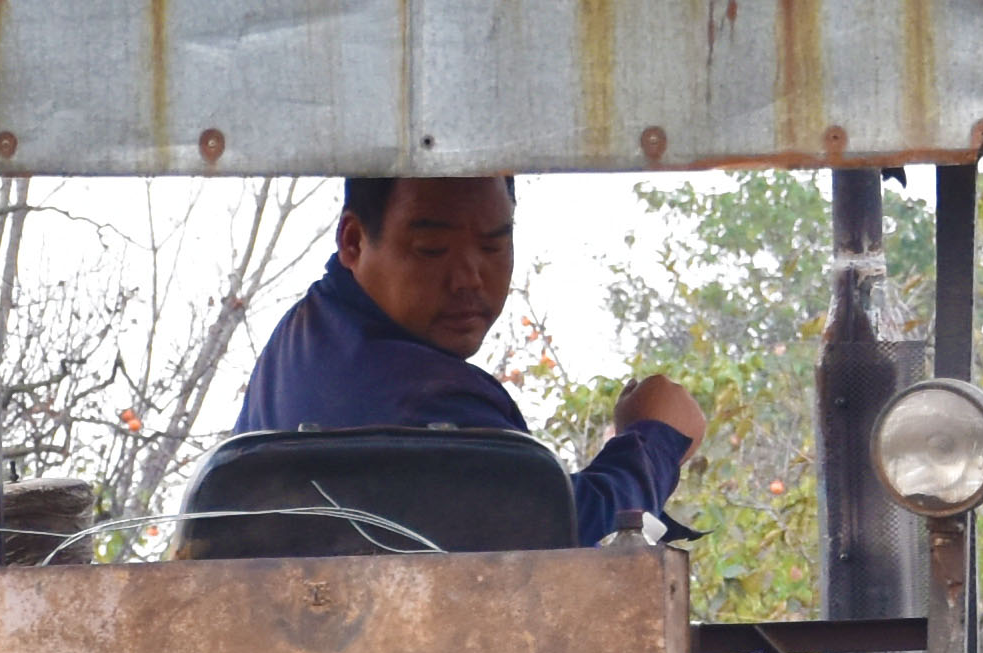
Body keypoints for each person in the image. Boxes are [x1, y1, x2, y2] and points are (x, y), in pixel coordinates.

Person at [229, 176, 706, 545]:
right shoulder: (424, 398)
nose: (469, 278)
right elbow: (572, 542)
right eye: (431, 249)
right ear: (353, 241)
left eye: (493, 246)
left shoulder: (303, 336)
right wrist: (654, 439)